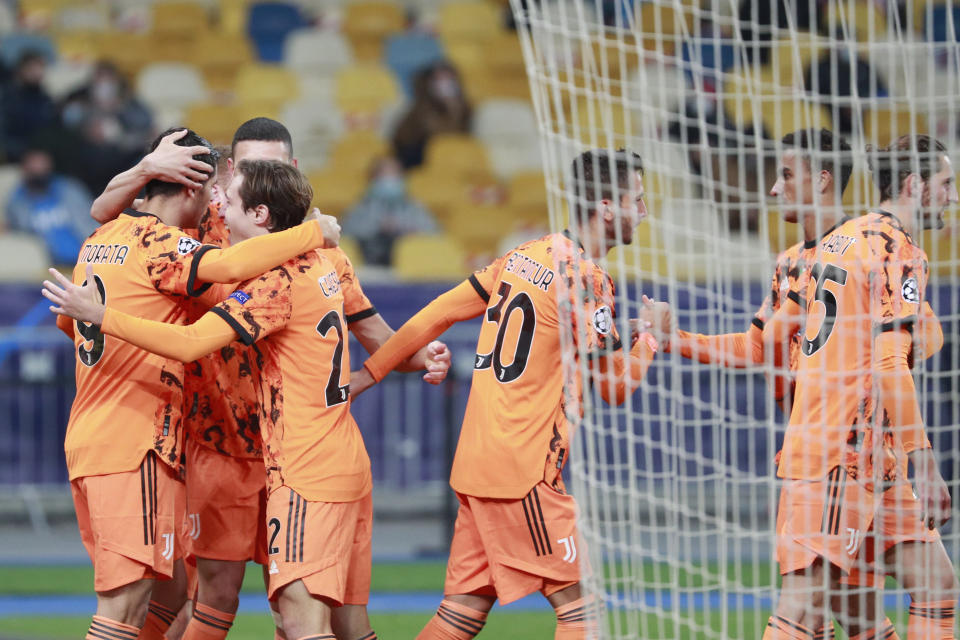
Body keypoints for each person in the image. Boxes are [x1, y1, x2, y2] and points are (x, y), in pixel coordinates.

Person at [45, 159, 448, 640]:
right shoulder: (327, 262)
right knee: (346, 625)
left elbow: (192, 341)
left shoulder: (272, 283)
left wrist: (101, 314)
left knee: (298, 621)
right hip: (337, 459)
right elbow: (380, 339)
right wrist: (378, 370)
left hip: (303, 467)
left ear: (259, 214)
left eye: (228, 199)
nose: (218, 204)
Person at [349, 149, 668, 639]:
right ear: (607, 207)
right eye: (638, 201)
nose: (644, 213)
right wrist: (650, 338)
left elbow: (435, 314)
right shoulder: (586, 278)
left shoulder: (524, 255)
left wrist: (372, 371)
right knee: (583, 611)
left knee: (461, 614)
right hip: (524, 471)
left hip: (478, 462)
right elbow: (614, 387)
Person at [44, 128, 336, 640]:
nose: (212, 209)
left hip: (94, 436)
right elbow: (222, 267)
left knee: (174, 591)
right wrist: (315, 232)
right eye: (208, 194)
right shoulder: (159, 242)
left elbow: (70, 324)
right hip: (134, 442)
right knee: (123, 607)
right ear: (189, 188)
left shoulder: (100, 238)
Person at [667, 128, 944, 639]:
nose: (773, 188)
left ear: (821, 180)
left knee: (906, 601)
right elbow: (762, 345)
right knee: (824, 613)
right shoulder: (803, 260)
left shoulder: (847, 249)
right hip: (838, 450)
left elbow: (921, 334)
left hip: (872, 454)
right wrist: (677, 338)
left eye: (786, 175)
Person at [759, 134, 959, 640]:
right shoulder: (898, 250)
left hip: (871, 457)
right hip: (841, 454)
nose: (953, 196)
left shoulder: (841, 238)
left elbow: (770, 341)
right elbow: (892, 361)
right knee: (810, 610)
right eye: (946, 184)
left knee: (927, 587)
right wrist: (927, 460)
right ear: (915, 185)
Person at [342, 155, 439, 266]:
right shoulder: (361, 205)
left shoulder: (414, 205)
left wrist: (405, 229)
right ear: (373, 179)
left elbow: (433, 233)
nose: (389, 180)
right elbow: (347, 233)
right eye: (384, 175)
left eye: (394, 174)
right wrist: (377, 227)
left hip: (411, 268)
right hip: (369, 267)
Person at [5, 146, 95, 263]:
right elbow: (17, 234)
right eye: (34, 165)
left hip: (87, 259)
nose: (38, 169)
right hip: (49, 267)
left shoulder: (70, 189)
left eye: (43, 164)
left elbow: (91, 222)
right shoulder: (17, 203)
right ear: (24, 168)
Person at [392, 61, 472, 169]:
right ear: (428, 84)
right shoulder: (419, 111)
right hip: (420, 163)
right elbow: (440, 138)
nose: (446, 84)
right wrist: (453, 109)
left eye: (450, 79)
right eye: (440, 80)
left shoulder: (467, 109)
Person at [0, 49, 56, 161]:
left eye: (41, 68)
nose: (37, 73)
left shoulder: (45, 99)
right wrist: (28, 153)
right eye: (33, 68)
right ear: (22, 69)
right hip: (15, 158)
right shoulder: (8, 97)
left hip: (43, 159)